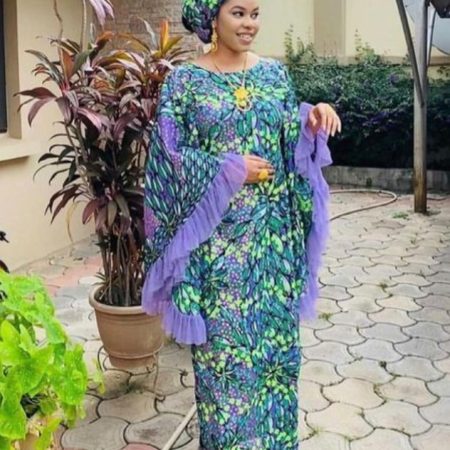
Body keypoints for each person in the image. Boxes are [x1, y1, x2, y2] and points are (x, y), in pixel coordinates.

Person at [142, 0, 341, 448]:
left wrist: (310, 121)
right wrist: (229, 169)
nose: (250, 23)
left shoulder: (274, 75)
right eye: (238, 13)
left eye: (255, 13)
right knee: (224, 376)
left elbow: (287, 140)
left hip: (272, 252)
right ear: (212, 17)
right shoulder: (185, 83)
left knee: (276, 368)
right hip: (219, 259)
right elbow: (167, 161)